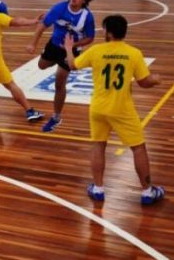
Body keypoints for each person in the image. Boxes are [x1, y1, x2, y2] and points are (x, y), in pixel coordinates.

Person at [64, 14, 164, 204]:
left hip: (98, 108)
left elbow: (72, 65)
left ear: (108, 32)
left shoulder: (96, 51)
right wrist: (156, 80)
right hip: (122, 109)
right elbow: (144, 82)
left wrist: (69, 48)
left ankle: (99, 188)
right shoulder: (133, 53)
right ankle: (147, 191)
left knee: (98, 145)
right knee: (138, 148)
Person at [26, 0, 98, 132]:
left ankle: (56, 117)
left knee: (60, 83)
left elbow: (90, 38)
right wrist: (33, 44)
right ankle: (54, 61)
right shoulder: (59, 8)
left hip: (70, 50)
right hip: (54, 44)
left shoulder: (87, 17)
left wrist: (72, 46)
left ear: (85, 0)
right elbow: (42, 26)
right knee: (41, 65)